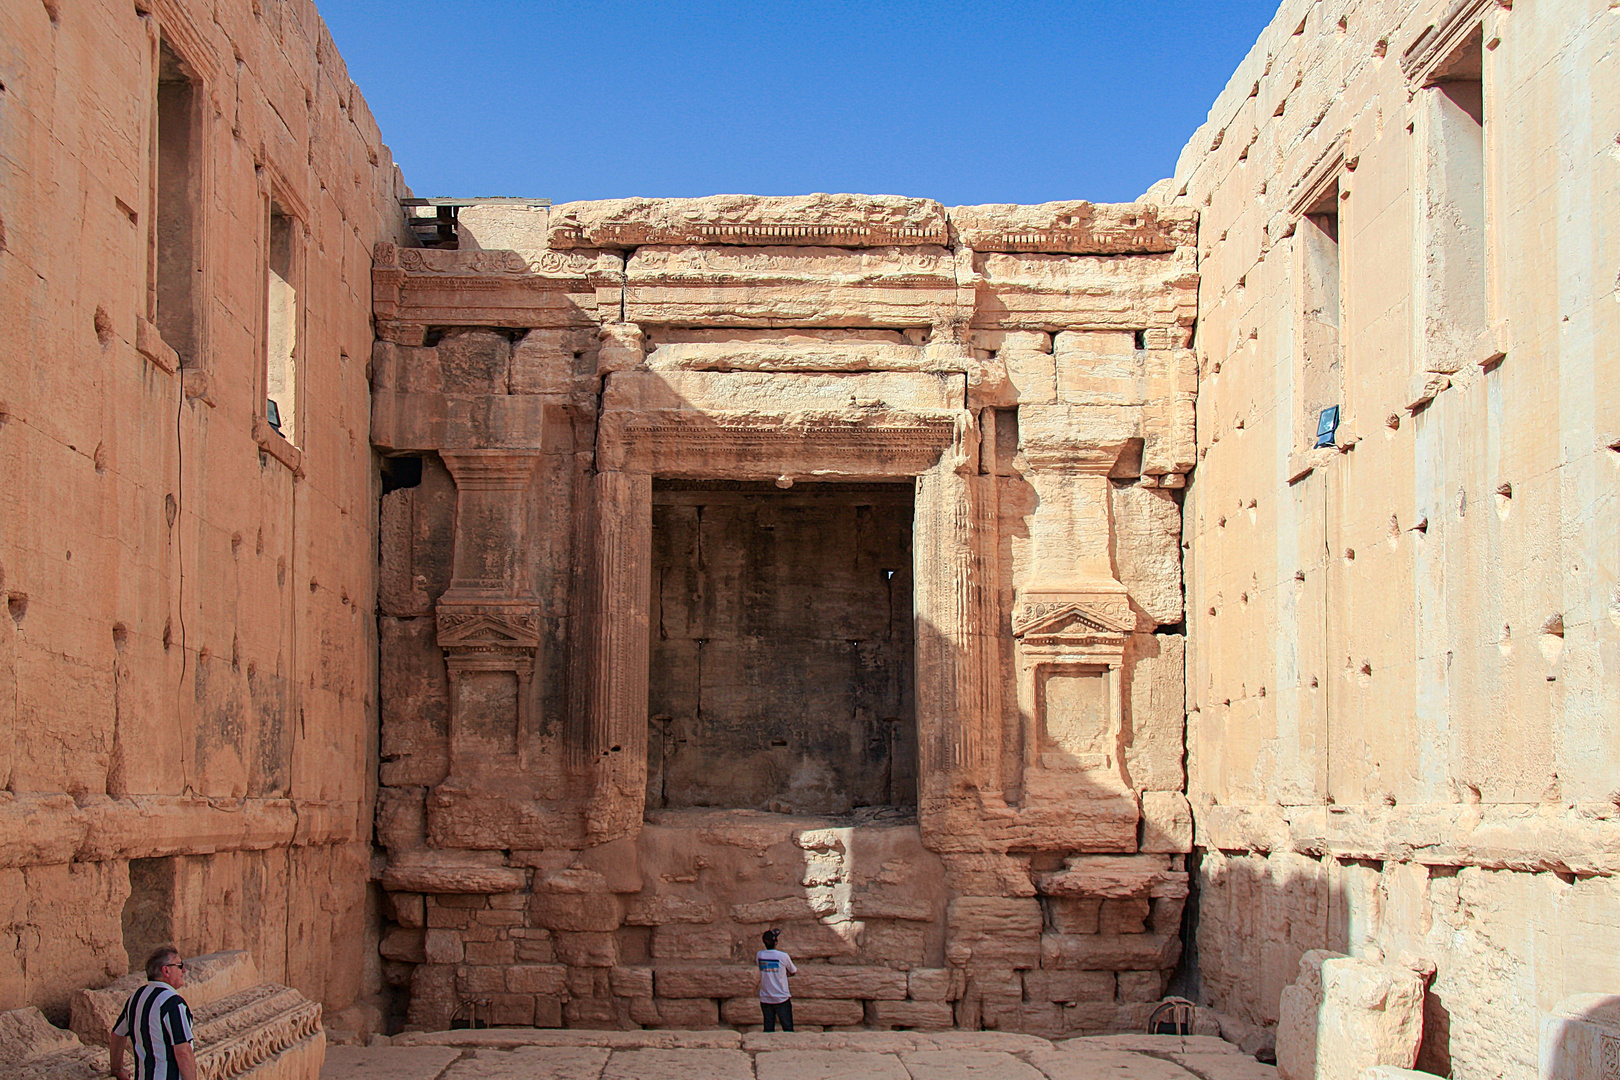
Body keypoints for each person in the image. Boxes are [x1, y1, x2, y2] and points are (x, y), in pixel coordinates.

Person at [109, 946, 198, 1080]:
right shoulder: (173, 1003)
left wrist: (117, 1069)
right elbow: (183, 1051)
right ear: (166, 970)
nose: (184, 971)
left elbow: (117, 1034)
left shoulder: (136, 997)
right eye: (180, 966)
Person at [755, 928, 797, 1032]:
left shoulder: (760, 955)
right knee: (788, 1028)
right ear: (776, 942)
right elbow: (793, 971)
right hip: (781, 997)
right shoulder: (783, 956)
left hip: (766, 998)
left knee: (768, 1028)